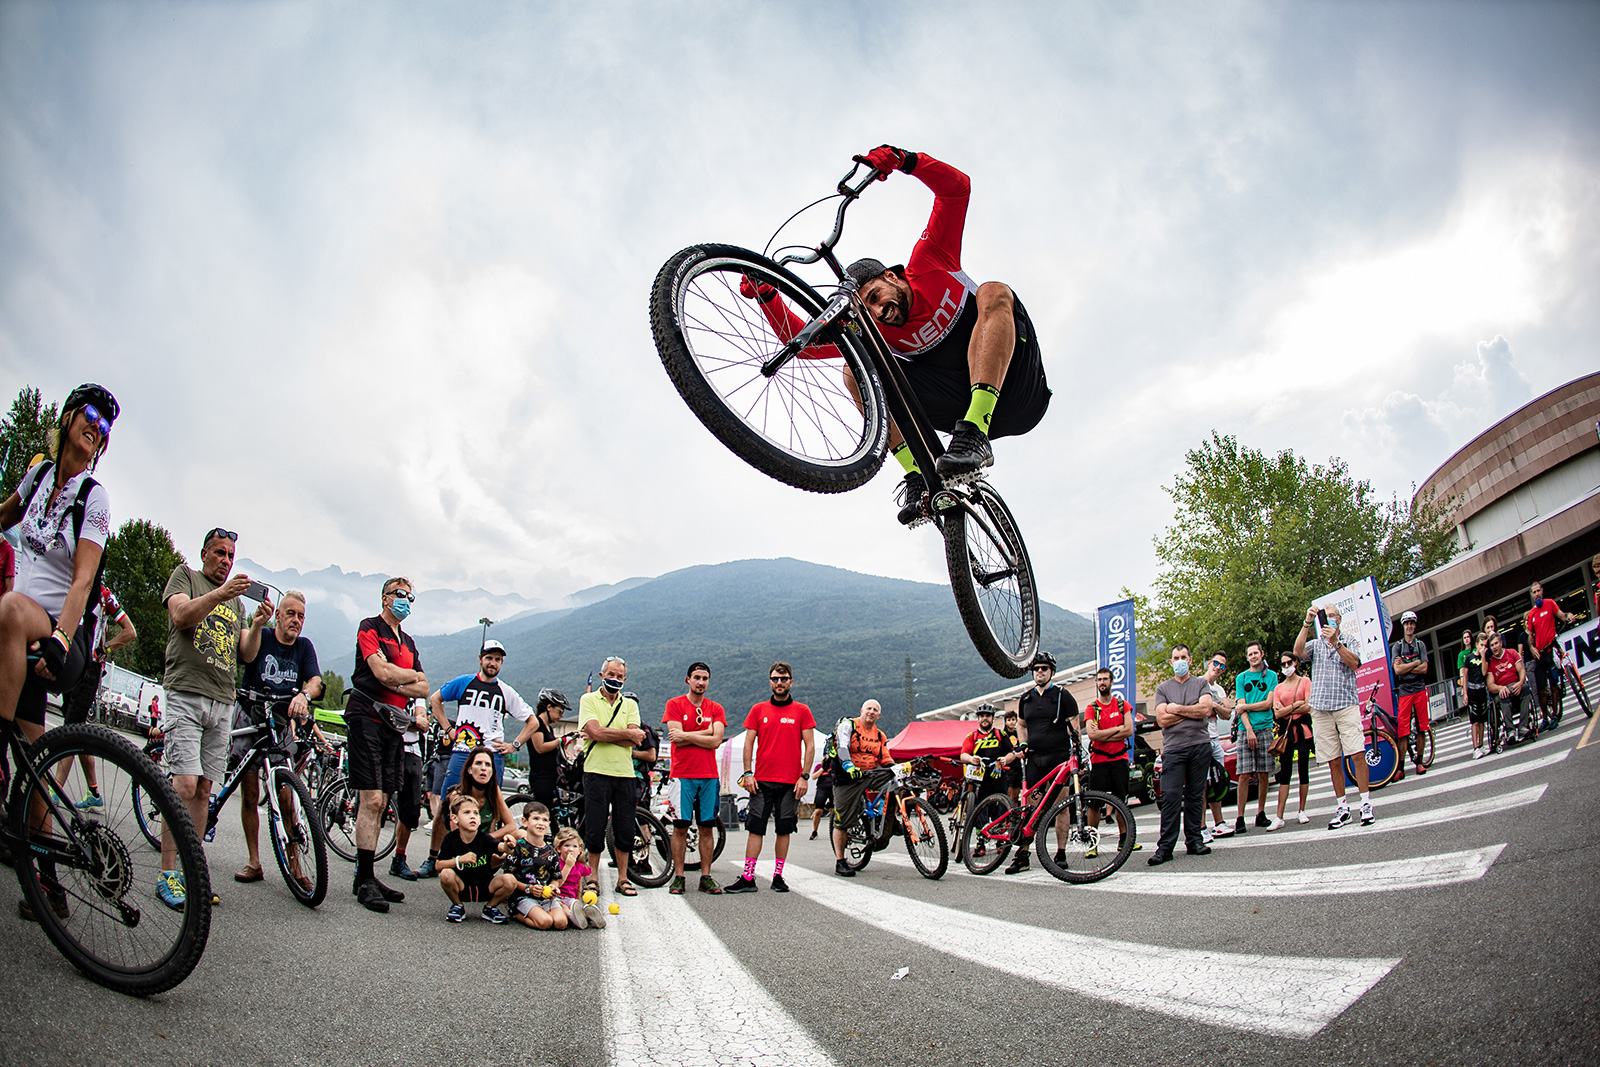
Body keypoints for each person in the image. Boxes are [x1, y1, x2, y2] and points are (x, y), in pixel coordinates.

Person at [744, 145, 1051, 524]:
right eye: (867, 309)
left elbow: (957, 190)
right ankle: (919, 474)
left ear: (892, 275)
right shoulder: (873, 326)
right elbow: (802, 343)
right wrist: (767, 296)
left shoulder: (931, 261)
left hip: (1019, 387)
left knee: (993, 290)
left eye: (875, 297)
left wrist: (907, 161)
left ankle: (977, 431)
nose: (876, 312)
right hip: (952, 404)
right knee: (855, 368)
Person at [0, 384, 119, 921]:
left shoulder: (95, 498)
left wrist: (63, 637)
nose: (98, 426)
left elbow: (82, 580)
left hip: (58, 638)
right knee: (34, 773)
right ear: (69, 417)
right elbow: (6, 515)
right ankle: (48, 888)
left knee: (8, 609)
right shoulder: (38, 475)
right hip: (17, 641)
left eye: (106, 426)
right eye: (92, 415)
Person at [157, 526, 273, 910]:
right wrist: (222, 592)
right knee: (185, 785)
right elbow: (180, 617)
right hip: (187, 692)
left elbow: (247, 653)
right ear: (205, 552)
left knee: (206, 790)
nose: (225, 561)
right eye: (219, 553)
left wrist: (256, 624)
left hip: (222, 700)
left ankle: (191, 871)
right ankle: (167, 872)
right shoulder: (186, 577)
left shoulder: (238, 604)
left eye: (230, 556)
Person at [346, 576, 429, 913]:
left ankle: (366, 875)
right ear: (384, 598)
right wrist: (403, 678)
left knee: (384, 803)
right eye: (400, 595)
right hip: (366, 715)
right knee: (372, 798)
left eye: (410, 596)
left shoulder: (408, 642)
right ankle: (364, 879)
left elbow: (424, 687)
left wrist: (400, 679)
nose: (405, 600)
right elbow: (379, 673)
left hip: (394, 723)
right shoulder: (370, 627)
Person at [231, 591, 322, 886]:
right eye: (291, 614)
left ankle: (296, 866)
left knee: (287, 797)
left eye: (301, 616)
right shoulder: (265, 636)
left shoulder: (304, 647)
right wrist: (257, 624)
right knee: (249, 794)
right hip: (251, 717)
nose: (296, 620)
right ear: (279, 615)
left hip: (279, 724)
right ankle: (254, 862)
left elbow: (316, 681)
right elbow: (246, 653)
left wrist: (304, 694)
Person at [424, 640, 533, 872]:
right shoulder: (464, 682)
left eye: (498, 660)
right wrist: (448, 730)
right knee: (446, 806)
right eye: (489, 658)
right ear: (480, 658)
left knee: (491, 809)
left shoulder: (505, 691)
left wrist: (514, 744)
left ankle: (484, 862)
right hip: (463, 752)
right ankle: (434, 858)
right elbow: (435, 700)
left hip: (493, 756)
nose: (493, 663)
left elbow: (532, 721)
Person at [726, 663, 815, 893]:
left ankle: (778, 876)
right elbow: (748, 743)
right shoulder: (758, 709)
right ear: (769, 682)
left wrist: (804, 777)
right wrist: (747, 773)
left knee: (784, 829)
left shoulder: (802, 711)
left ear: (791, 681)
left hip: (790, 783)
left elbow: (810, 745)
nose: (779, 683)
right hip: (762, 781)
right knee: (755, 828)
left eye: (784, 679)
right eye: (775, 679)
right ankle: (748, 877)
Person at [1294, 603, 1373, 829]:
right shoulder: (1316, 645)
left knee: (1357, 753)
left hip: (1346, 705)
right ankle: (1342, 807)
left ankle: (1365, 803)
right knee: (1333, 759)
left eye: (1331, 616)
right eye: (1324, 617)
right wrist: (1307, 623)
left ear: (1339, 619)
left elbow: (1354, 663)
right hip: (1321, 709)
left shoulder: (1349, 639)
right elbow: (1298, 652)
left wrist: (1336, 643)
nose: (1328, 620)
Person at [61, 583, 136, 810]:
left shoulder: (104, 594)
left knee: (70, 730)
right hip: (71, 661)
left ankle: (51, 790)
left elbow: (129, 631)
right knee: (78, 732)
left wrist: (105, 649)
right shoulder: (72, 584)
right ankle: (93, 792)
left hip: (90, 669)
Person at [577, 655, 646, 897]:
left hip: (625, 774)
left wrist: (602, 734)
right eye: (611, 675)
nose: (615, 679)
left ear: (625, 679)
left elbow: (637, 737)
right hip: (596, 771)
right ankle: (592, 877)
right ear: (601, 675)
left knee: (625, 827)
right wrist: (621, 735)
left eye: (619, 676)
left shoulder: (630, 705)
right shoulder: (588, 700)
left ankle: (623, 878)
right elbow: (593, 731)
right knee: (594, 826)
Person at [1010, 649, 1080, 873]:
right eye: (1036, 669)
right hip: (1034, 759)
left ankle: (1060, 853)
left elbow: (1074, 724)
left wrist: (1076, 751)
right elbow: (1021, 724)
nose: (1039, 672)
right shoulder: (1026, 698)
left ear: (1052, 671)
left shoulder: (1062, 696)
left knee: (1061, 807)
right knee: (1029, 810)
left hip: (1058, 757)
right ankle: (1023, 856)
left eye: (1044, 669)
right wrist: (1022, 743)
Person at [662, 661, 727, 895]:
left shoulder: (716, 708)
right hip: (682, 776)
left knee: (707, 828)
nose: (701, 682)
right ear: (688, 679)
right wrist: (706, 732)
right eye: (697, 677)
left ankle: (706, 876)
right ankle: (678, 877)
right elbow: (675, 739)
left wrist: (688, 734)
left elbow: (716, 741)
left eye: (705, 678)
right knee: (680, 827)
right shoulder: (675, 704)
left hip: (709, 776)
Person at [1147, 645, 1215, 866]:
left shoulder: (1201, 683)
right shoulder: (1163, 689)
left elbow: (1205, 710)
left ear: (1191, 659)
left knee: (1196, 796)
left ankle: (1194, 841)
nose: (1180, 661)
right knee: (1170, 797)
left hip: (1200, 745)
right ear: (1170, 662)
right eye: (1176, 658)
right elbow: (1162, 720)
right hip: (1174, 750)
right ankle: (1165, 847)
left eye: (1183, 657)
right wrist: (1190, 711)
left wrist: (1175, 708)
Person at [828, 698, 895, 879]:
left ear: (879, 715)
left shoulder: (879, 735)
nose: (871, 712)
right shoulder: (849, 726)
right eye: (869, 708)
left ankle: (891, 820)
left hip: (869, 774)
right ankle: (840, 861)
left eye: (875, 710)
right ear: (861, 710)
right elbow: (842, 747)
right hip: (846, 776)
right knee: (842, 821)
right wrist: (848, 765)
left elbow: (885, 757)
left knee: (897, 782)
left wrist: (895, 768)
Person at [1081, 670, 1140, 856]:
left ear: (1112, 682)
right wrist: (1117, 729)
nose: (1102, 682)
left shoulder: (1123, 705)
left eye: (1105, 679)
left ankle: (1125, 841)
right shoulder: (1092, 708)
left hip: (1119, 760)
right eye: (1099, 679)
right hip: (1099, 761)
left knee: (1120, 800)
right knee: (1094, 804)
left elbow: (1129, 731)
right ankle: (1092, 844)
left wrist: (1104, 733)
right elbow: (1092, 735)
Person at [496, 802, 568, 931]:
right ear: (525, 822)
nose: (540, 823)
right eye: (535, 818)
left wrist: (553, 887)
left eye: (545, 820)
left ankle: (550, 910)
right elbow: (508, 877)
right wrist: (528, 888)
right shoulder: (517, 848)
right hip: (523, 896)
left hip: (544, 897)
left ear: (549, 825)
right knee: (545, 923)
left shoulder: (551, 852)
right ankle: (515, 913)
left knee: (561, 923)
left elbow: (555, 878)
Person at [1232, 641, 1278, 834]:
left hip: (1266, 728)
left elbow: (1268, 703)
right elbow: (1239, 706)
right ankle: (1240, 817)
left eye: (1256, 653)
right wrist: (1249, 729)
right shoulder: (1241, 678)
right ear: (1247, 657)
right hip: (1246, 730)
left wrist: (1247, 707)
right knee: (1243, 774)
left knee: (1264, 773)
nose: (1253, 656)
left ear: (1262, 654)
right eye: (1250, 654)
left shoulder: (1272, 676)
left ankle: (1261, 812)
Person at [436, 793, 503, 923]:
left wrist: (508, 844)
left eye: (476, 813)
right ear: (455, 819)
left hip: (485, 885)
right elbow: (438, 865)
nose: (473, 816)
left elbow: (500, 847)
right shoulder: (450, 839)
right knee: (446, 874)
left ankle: (490, 908)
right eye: (466, 812)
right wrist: (459, 860)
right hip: (462, 886)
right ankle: (457, 905)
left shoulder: (484, 837)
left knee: (509, 881)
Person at [507, 687, 572, 812]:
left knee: (550, 812)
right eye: (560, 711)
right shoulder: (537, 725)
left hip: (552, 775)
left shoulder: (549, 728)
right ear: (548, 707)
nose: (562, 715)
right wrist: (560, 740)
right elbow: (540, 748)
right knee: (541, 812)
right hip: (541, 777)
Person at [390, 699, 432, 881]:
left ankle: (399, 858)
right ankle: (364, 859)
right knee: (377, 805)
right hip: (389, 746)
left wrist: (413, 721)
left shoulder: (418, 694)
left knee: (411, 810)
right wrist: (414, 721)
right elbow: (389, 717)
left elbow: (422, 722)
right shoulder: (390, 686)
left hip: (413, 752)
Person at [1270, 651, 1313, 827]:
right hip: (1286, 734)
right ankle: (1279, 816)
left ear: (1295, 663)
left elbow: (1309, 705)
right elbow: (1277, 712)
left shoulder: (1305, 681)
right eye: (1283, 664)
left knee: (1304, 769)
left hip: (1303, 731)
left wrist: (1288, 708)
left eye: (1289, 663)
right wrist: (1296, 705)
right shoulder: (1278, 688)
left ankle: (1302, 810)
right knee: (1285, 773)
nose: (1286, 666)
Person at [1525, 581, 1575, 723]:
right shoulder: (1531, 614)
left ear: (1542, 590)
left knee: (1554, 684)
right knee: (1541, 688)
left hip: (1550, 649)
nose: (1536, 594)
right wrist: (1532, 648)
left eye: (1538, 591)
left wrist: (1569, 616)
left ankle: (1554, 714)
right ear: (1531, 595)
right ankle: (1545, 719)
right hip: (1539, 654)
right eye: (1534, 592)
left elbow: (1561, 615)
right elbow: (1530, 635)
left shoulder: (1550, 603)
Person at [1390, 610, 1431, 778]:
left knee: (1422, 727)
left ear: (1415, 625)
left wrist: (1406, 665)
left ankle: (1419, 762)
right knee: (1403, 731)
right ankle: (1401, 768)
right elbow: (1397, 670)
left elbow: (1425, 668)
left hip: (1419, 688)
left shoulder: (1420, 645)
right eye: (1407, 623)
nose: (1409, 626)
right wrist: (1414, 663)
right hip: (1405, 690)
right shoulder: (1398, 646)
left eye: (1412, 623)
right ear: (1403, 626)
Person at [1199, 651, 1234, 841]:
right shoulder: (1197, 683)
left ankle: (1219, 823)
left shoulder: (1219, 690)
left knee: (1217, 781)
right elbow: (1203, 709)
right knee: (1202, 783)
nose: (1218, 668)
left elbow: (1227, 714)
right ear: (1208, 663)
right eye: (1215, 663)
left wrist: (1216, 706)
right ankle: (1202, 827)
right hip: (1201, 738)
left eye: (1222, 665)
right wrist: (1217, 707)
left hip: (1216, 739)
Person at [957, 702, 1017, 808]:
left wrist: (1005, 760)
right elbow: (963, 755)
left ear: (993, 718)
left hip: (999, 779)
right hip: (979, 780)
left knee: (999, 814)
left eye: (988, 716)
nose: (985, 718)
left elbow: (1012, 753)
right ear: (978, 719)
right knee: (979, 814)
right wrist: (971, 759)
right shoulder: (972, 736)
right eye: (982, 716)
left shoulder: (1001, 734)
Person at [553, 827, 604, 929]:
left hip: (571, 898)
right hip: (557, 896)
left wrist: (578, 900)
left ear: (580, 850)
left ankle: (586, 915)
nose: (571, 849)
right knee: (562, 908)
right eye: (566, 845)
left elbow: (579, 886)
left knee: (574, 907)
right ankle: (580, 917)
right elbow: (558, 882)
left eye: (574, 846)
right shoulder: (557, 863)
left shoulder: (579, 866)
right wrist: (568, 865)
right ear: (558, 849)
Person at [1485, 632, 1529, 743]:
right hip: (1501, 690)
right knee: (1503, 694)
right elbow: (1490, 685)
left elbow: (1522, 670)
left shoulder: (1512, 653)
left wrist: (1520, 683)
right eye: (1492, 645)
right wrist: (1500, 688)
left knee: (1525, 688)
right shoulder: (1490, 663)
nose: (1494, 647)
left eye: (1496, 643)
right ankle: (1510, 731)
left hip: (1515, 685)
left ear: (1501, 643)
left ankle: (1523, 726)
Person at [1460, 631, 1491, 758]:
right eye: (1481, 645)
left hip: (1482, 690)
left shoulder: (1485, 658)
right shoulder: (1469, 658)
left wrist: (1483, 656)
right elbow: (1465, 676)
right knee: (1475, 721)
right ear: (1477, 644)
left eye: (1485, 645)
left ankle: (1481, 743)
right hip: (1472, 690)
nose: (1483, 648)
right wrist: (1465, 693)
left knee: (1482, 719)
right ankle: (1475, 747)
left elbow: (1484, 672)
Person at [1002, 709, 1023, 802]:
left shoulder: (1019, 733)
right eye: (1009, 720)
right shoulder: (1003, 735)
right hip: (1007, 767)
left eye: (1013, 720)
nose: (1011, 722)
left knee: (1015, 796)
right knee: (1008, 796)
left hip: (1018, 766)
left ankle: (1015, 815)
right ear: (1005, 722)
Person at [809, 759, 832, 841]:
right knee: (818, 811)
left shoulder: (834, 766)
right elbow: (813, 777)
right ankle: (814, 831)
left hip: (833, 790)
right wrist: (823, 768)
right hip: (822, 790)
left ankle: (834, 830)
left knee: (834, 811)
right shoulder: (819, 766)